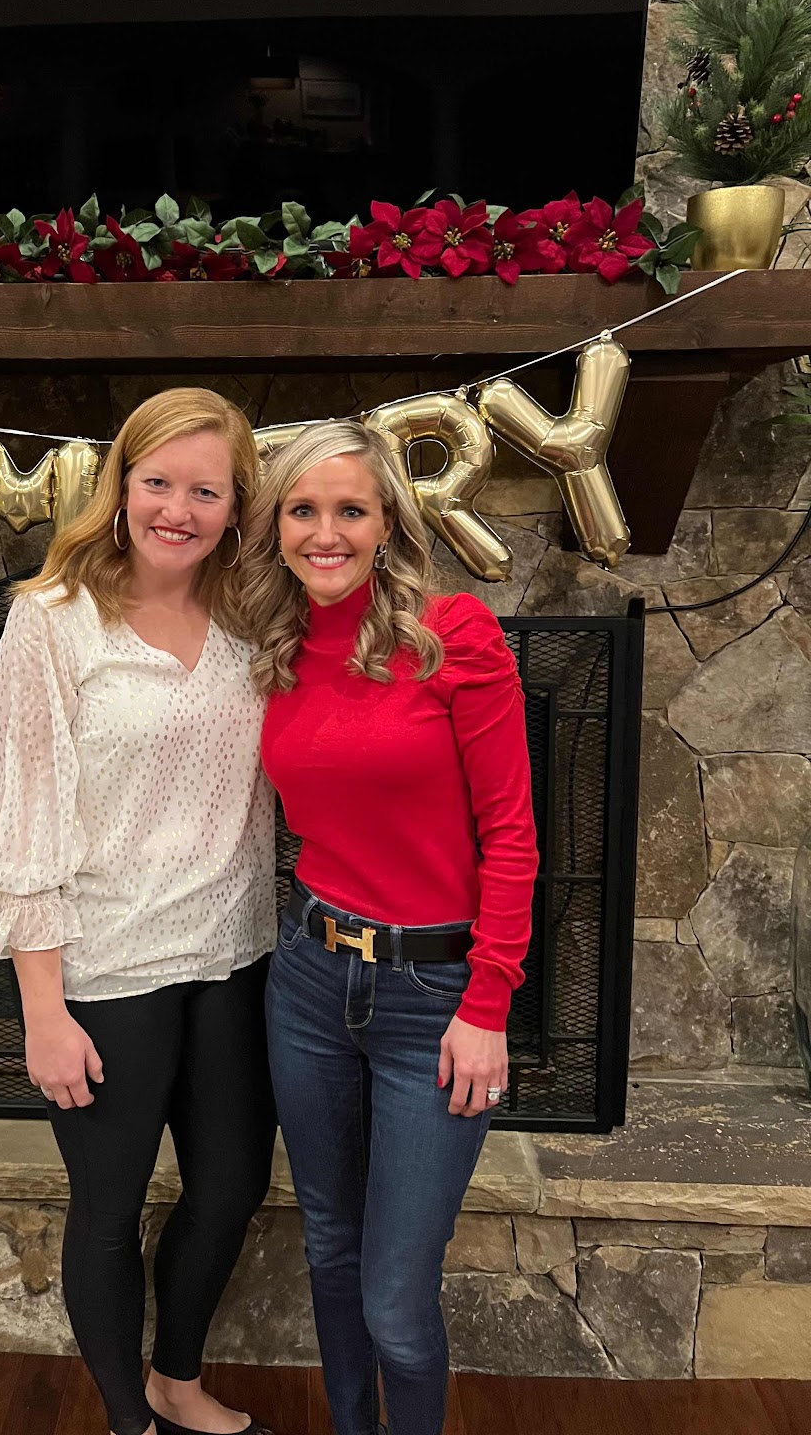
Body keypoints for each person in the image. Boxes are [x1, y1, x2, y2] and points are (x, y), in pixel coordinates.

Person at [0, 388, 277, 1435]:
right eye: (157, 483)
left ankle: (175, 1381)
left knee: (230, 1189)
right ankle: (126, 1421)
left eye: (205, 491)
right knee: (109, 1209)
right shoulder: (53, 621)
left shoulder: (256, 619)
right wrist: (41, 1011)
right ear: (120, 486)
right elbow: (23, 817)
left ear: (236, 506)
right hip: (103, 970)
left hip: (234, 956)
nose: (177, 510)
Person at [239, 420, 536, 1435]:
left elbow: (511, 833)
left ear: (387, 525)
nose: (326, 533)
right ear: (277, 526)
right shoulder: (278, 651)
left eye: (350, 510)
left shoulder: (456, 636)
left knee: (397, 1303)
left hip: (435, 1001)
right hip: (309, 979)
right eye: (303, 509)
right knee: (330, 1245)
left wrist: (488, 1003)